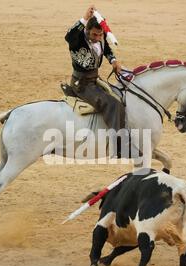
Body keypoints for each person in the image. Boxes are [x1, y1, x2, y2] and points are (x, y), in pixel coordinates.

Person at [65, 5, 129, 157]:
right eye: (94, 35)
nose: (98, 38)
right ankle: (118, 147)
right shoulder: (77, 40)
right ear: (87, 30)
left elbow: (106, 48)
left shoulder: (100, 38)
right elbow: (68, 36)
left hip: (94, 80)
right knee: (113, 104)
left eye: (100, 35)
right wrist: (84, 18)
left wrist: (113, 61)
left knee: (120, 95)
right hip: (81, 84)